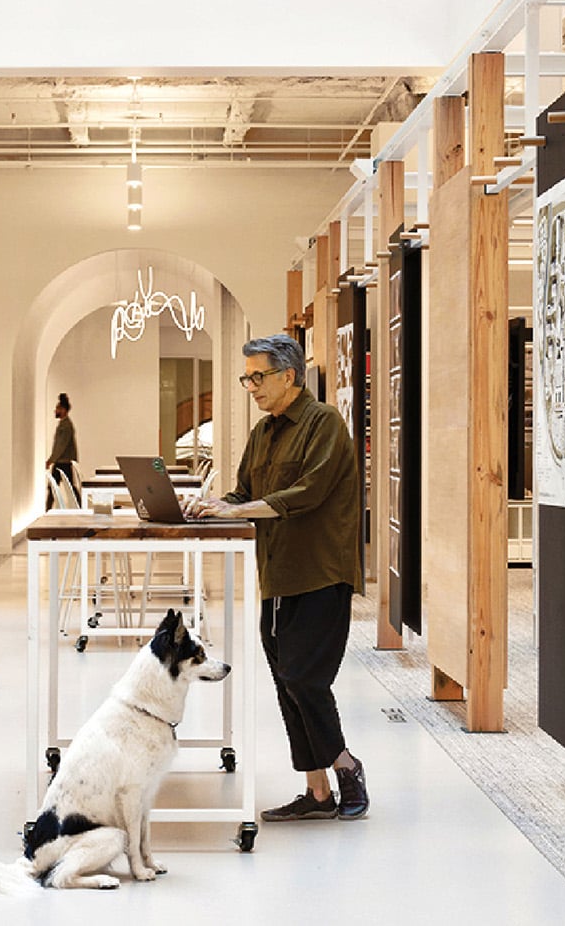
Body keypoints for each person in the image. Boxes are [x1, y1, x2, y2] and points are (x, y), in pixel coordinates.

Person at [188, 332, 367, 821]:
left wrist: (237, 509)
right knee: (286, 681)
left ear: (288, 376)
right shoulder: (263, 433)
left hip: (320, 572)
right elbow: (244, 492)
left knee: (305, 678)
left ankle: (346, 766)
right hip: (276, 573)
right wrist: (213, 504)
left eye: (258, 377)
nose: (251, 387)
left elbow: (308, 493)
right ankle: (318, 793)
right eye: (246, 379)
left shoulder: (324, 423)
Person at [45, 392, 79, 508]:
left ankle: (47, 509)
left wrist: (51, 460)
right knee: (66, 487)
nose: (55, 411)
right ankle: (79, 506)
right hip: (63, 461)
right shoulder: (65, 424)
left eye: (58, 408)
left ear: (63, 410)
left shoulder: (65, 426)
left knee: (56, 487)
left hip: (62, 462)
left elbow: (61, 445)